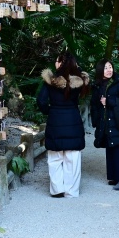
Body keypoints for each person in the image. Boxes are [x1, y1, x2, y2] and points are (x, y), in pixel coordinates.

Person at [37, 51, 89, 198]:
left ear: (60, 63)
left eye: (57, 60)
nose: (55, 63)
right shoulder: (79, 81)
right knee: (73, 158)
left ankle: (57, 189)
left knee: (55, 157)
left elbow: (41, 101)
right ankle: (71, 191)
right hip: (73, 120)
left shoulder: (50, 81)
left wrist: (50, 111)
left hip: (55, 121)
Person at [91, 59, 119, 191]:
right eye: (106, 68)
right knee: (110, 148)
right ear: (100, 70)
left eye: (110, 67)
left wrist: (109, 101)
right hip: (106, 121)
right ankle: (115, 176)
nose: (109, 70)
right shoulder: (98, 85)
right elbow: (94, 104)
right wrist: (96, 121)